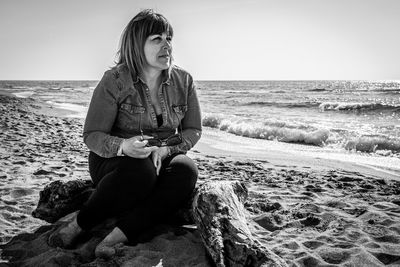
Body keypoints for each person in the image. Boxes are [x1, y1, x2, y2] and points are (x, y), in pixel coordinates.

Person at [48, 9, 202, 258]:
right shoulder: (115, 80)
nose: (167, 46)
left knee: (186, 170)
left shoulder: (184, 81)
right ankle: (80, 223)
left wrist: (166, 149)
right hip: (113, 161)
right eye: (157, 39)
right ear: (136, 44)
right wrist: (124, 146)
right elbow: (92, 134)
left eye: (169, 39)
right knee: (140, 172)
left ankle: (115, 236)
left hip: (161, 154)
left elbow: (193, 129)